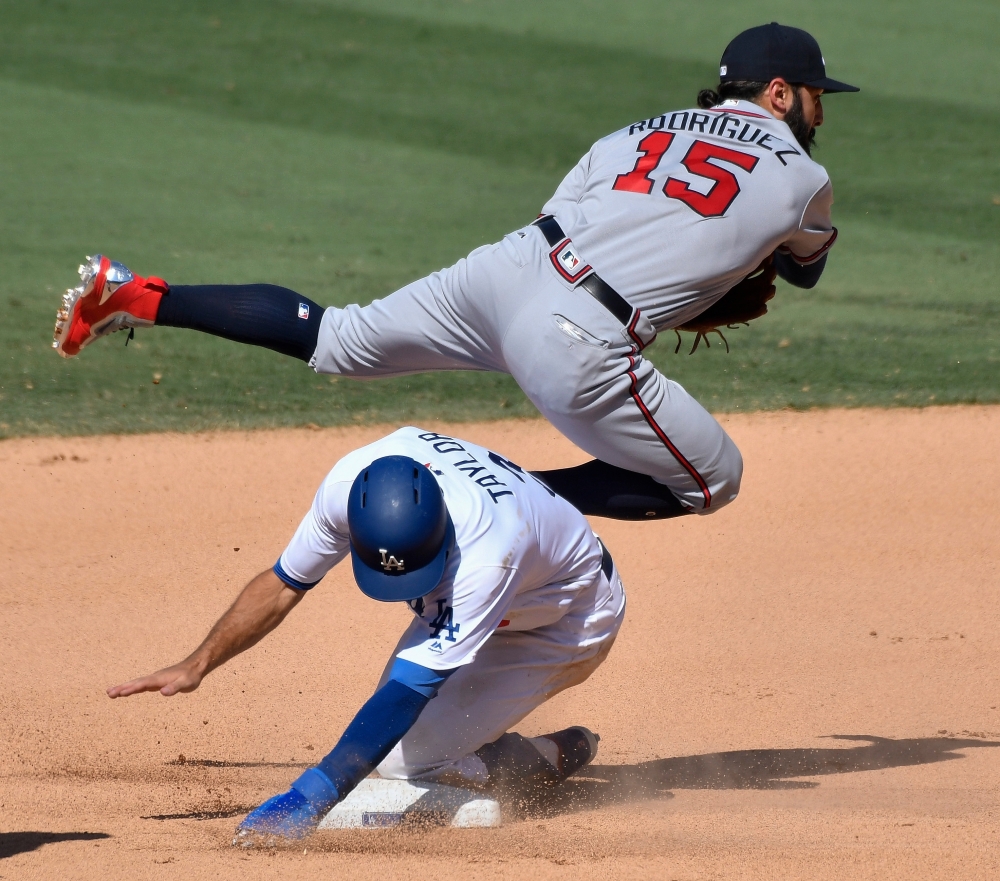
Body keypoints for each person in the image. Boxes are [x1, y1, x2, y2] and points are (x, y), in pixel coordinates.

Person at [53, 23, 857, 522]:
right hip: (580, 337)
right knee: (711, 482)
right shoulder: (802, 178)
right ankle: (491, 492)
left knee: (336, 337)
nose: (821, 112)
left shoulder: (633, 130)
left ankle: (135, 293)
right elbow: (802, 272)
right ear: (780, 91)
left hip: (509, 268)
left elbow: (567, 213)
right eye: (817, 96)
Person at [107, 427, 626, 842]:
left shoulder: (488, 555)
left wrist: (313, 795)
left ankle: (540, 758)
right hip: (500, 594)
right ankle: (474, 753)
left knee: (404, 759)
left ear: (442, 531)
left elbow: (411, 689)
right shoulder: (350, 487)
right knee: (394, 747)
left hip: (562, 618)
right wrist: (197, 663)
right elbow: (284, 583)